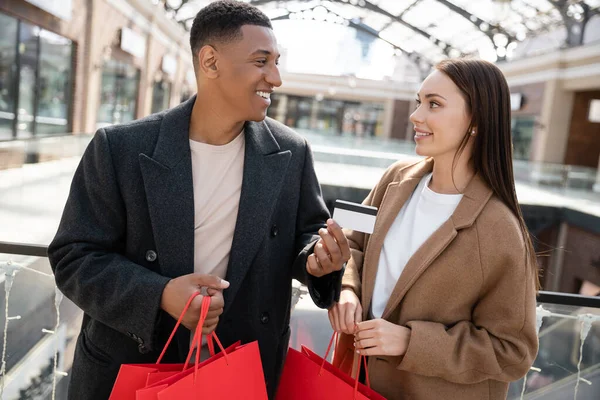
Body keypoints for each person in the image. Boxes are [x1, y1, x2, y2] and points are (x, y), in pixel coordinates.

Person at [48, 2, 350, 399]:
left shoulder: (291, 152)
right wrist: (160, 295)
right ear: (210, 61)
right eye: (261, 61)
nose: (275, 78)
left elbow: (305, 234)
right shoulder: (120, 148)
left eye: (276, 62)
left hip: (242, 368)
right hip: (133, 366)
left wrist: (318, 259)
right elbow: (74, 256)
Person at [328, 58, 539, 400]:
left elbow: (513, 351)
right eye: (419, 101)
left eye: (434, 105)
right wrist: (347, 289)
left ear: (476, 121)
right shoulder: (396, 179)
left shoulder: (499, 230)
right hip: (354, 383)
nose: (416, 115)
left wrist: (411, 342)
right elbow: (352, 243)